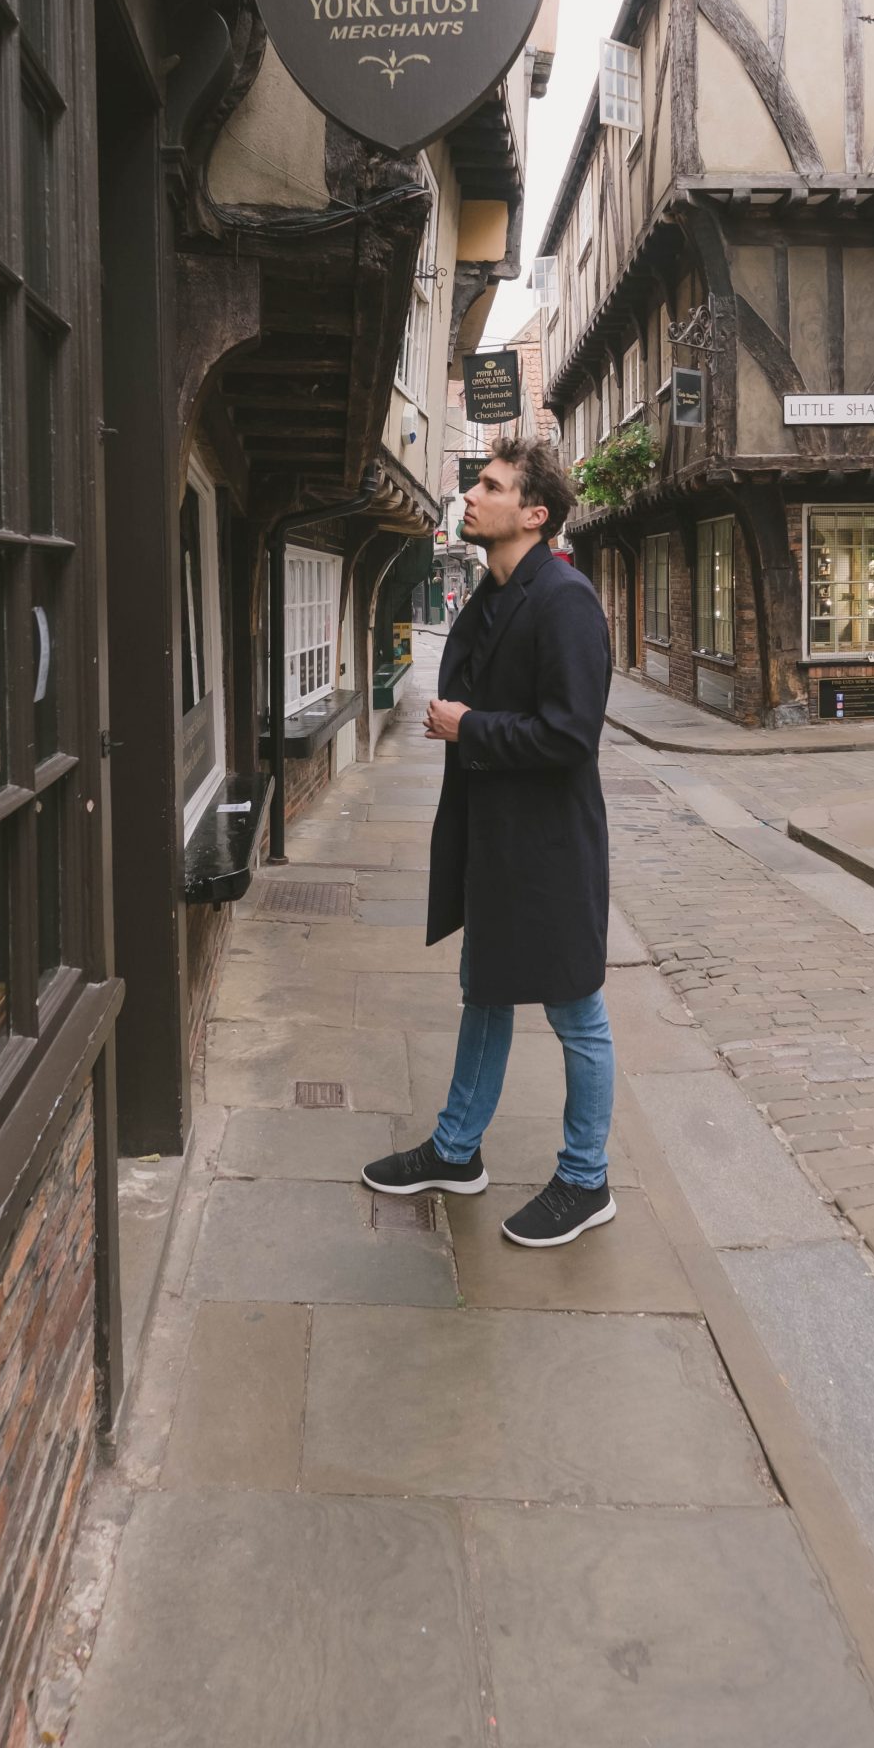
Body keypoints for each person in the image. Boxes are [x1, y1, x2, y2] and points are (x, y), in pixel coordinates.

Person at [362, 437, 617, 1247]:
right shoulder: (492, 593)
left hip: (547, 849)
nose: (469, 496)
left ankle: (585, 1180)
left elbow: (572, 734)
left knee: (577, 1014)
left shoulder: (564, 600)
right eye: (474, 483)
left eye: (488, 484)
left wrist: (472, 726)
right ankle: (455, 1150)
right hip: (493, 840)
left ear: (532, 513)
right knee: (484, 992)